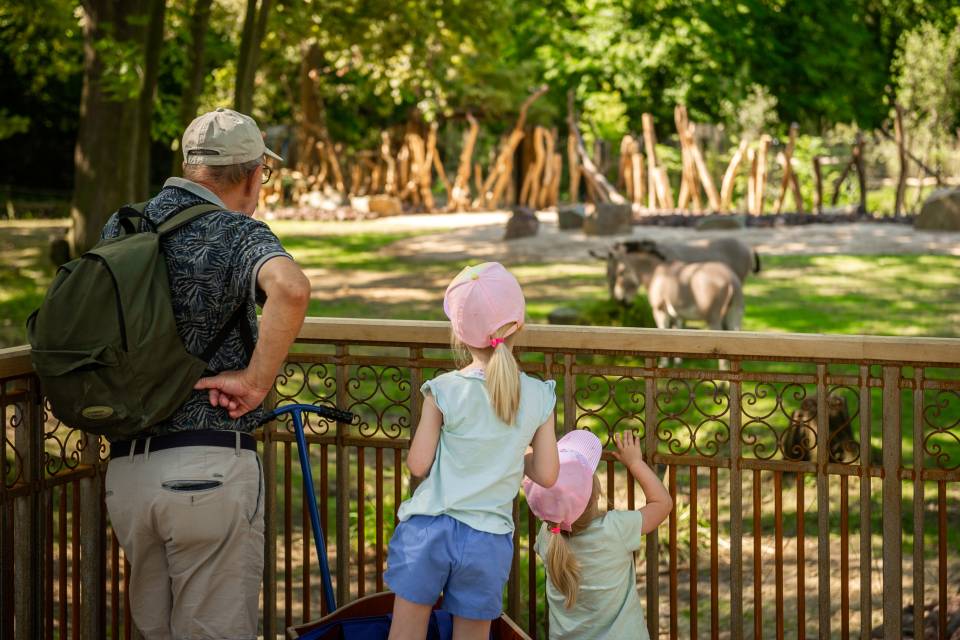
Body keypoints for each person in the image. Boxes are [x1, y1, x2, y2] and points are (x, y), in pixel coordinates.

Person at [102, 108, 311, 640]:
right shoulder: (238, 232)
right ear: (248, 175)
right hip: (208, 468)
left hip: (128, 474)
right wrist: (257, 381)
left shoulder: (126, 223)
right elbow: (290, 289)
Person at [384, 262, 561, 640]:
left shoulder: (444, 389)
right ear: (519, 326)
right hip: (487, 540)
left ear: (460, 335)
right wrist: (510, 456)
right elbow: (546, 474)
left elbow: (418, 465)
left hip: (429, 531)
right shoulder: (538, 396)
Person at [525, 430, 672, 640]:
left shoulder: (547, 538)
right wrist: (635, 463)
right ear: (595, 492)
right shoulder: (615, 530)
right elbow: (662, 503)